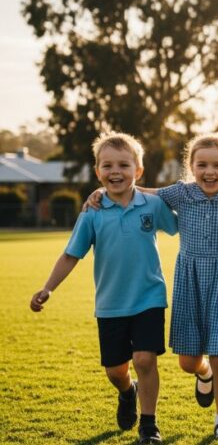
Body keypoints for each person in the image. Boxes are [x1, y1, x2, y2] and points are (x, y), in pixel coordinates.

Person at [86, 133, 218, 438]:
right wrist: (101, 191)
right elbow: (142, 191)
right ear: (191, 167)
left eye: (217, 165)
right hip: (191, 282)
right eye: (202, 165)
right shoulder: (181, 194)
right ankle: (203, 372)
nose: (209, 171)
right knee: (188, 362)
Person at [30, 132, 176, 444]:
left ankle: (149, 426)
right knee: (115, 370)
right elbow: (71, 255)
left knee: (145, 359)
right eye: (107, 165)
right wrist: (48, 288)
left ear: (138, 171)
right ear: (98, 172)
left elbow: (182, 223)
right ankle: (128, 391)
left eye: (124, 165)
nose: (115, 171)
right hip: (110, 303)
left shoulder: (152, 205)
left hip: (150, 297)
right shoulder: (92, 212)